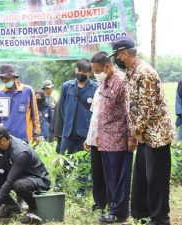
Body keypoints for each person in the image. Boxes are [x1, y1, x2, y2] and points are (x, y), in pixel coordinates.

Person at [110, 36, 175, 225]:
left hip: (156, 135)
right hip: (145, 134)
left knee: (157, 179)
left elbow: (145, 107)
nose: (116, 60)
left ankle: (161, 218)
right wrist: (137, 133)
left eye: (117, 56)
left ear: (124, 54)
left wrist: (137, 131)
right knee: (143, 177)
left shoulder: (143, 72)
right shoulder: (132, 72)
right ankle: (143, 214)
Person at [90, 51, 134, 223]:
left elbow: (131, 111)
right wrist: (98, 135)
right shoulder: (105, 82)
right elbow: (103, 111)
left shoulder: (121, 82)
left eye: (96, 70)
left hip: (119, 139)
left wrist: (132, 138)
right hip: (105, 140)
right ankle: (113, 209)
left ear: (107, 66)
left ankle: (120, 214)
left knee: (120, 177)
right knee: (110, 178)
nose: (95, 73)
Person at [59, 58, 98, 197]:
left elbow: (96, 112)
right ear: (76, 70)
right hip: (68, 132)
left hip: (85, 134)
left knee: (84, 163)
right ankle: (59, 187)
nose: (81, 73)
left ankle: (80, 191)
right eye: (79, 70)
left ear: (90, 73)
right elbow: (62, 108)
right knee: (62, 160)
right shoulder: (66, 86)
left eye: (84, 71)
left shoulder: (95, 88)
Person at [84, 52, 107, 213]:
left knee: (108, 173)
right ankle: (99, 203)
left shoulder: (116, 85)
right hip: (94, 140)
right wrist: (88, 137)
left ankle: (112, 203)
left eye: (97, 71)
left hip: (107, 140)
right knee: (97, 173)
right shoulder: (99, 89)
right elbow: (94, 117)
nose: (95, 74)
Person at [0, 64, 41, 145]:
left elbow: (35, 114)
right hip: (5, 137)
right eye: (2, 78)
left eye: (7, 78)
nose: (4, 81)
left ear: (14, 77)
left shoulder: (28, 91)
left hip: (24, 136)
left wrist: (36, 133)